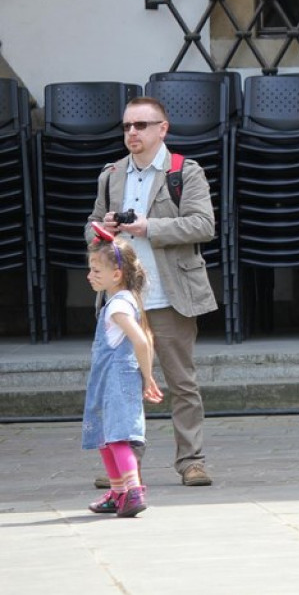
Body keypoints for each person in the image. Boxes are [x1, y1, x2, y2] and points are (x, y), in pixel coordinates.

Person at [86, 97, 218, 487]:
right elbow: (91, 226)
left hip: (171, 293)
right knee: (123, 385)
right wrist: (103, 229)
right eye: (127, 126)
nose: (132, 133)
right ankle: (125, 467)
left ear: (163, 128)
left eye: (142, 125)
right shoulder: (110, 175)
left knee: (182, 383)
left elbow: (202, 225)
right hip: (126, 298)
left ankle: (192, 461)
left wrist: (149, 228)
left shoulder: (185, 172)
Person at [83, 231, 164, 516]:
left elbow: (141, 341)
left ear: (116, 274)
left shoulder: (117, 305)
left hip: (116, 381)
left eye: (96, 270)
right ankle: (118, 492)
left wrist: (148, 376)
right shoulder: (128, 299)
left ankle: (132, 491)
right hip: (109, 382)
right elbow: (148, 337)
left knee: (117, 437)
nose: (89, 275)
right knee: (106, 437)